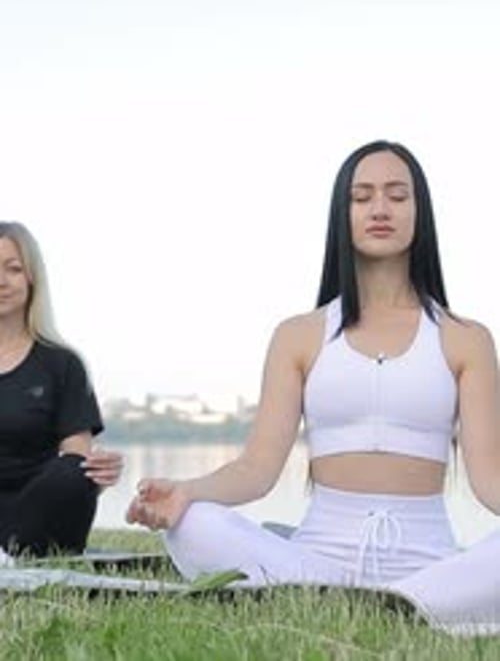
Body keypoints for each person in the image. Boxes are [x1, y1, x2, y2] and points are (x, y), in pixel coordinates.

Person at [126, 141, 500, 633]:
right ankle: (401, 611)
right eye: (362, 197)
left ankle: (396, 602)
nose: (380, 209)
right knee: (193, 524)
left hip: (429, 564)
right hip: (317, 565)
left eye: (397, 195)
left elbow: (490, 479)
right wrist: (185, 492)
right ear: (341, 214)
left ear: (419, 211)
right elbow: (257, 470)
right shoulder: (298, 335)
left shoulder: (465, 339)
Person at [0, 221, 122, 558]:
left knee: (71, 469)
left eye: (12, 269)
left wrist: (96, 476)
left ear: (31, 278)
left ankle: (16, 555)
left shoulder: (62, 364)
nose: (1, 281)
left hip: (35, 516)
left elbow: (76, 459)